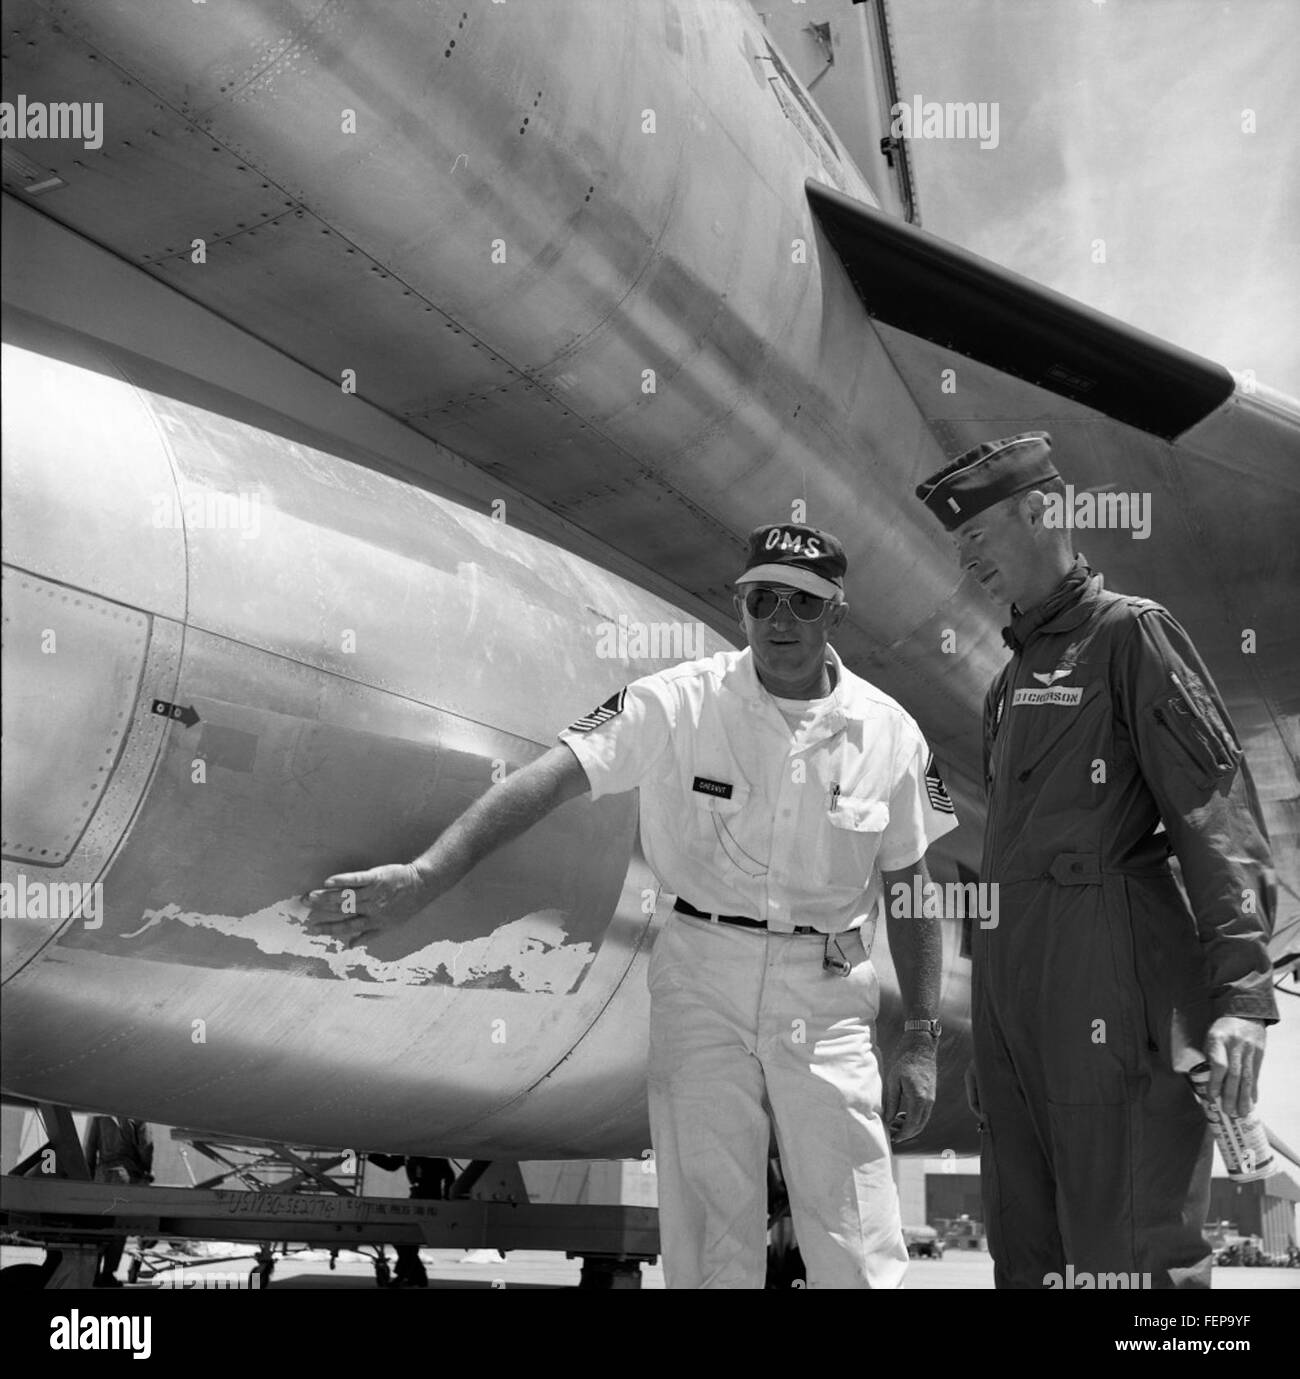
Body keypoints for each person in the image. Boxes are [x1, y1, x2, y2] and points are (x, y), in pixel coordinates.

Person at [306, 523, 958, 1288]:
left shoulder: (889, 734)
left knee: (856, 1227)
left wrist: (919, 1037)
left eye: (804, 604)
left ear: (836, 615)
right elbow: (548, 779)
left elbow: (912, 887)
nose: (781, 620)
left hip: (827, 989)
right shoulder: (678, 701)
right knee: (710, 1230)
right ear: (740, 604)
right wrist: (426, 875)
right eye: (764, 599)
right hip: (700, 977)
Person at [915, 431, 1277, 1289]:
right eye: (958, 548)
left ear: (1043, 511)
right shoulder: (1011, 681)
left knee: (1135, 1256)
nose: (970, 564)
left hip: (1111, 994)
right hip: (1017, 1011)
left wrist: (1241, 995)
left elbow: (1215, 818)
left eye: (979, 538)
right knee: (1025, 1256)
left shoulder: (1133, 637)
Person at [84, 1116, 153, 1286]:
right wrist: (146, 1171)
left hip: (102, 1176)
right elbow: (146, 1146)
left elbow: (90, 1147)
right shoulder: (137, 1114)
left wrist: (89, 1176)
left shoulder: (98, 1114)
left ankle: (93, 1273)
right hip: (125, 1176)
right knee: (118, 1229)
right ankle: (108, 1274)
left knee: (98, 1226)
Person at [368, 1154, 455, 1287]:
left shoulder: (434, 1155)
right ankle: (416, 1276)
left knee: (406, 1239)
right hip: (417, 1196)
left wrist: (445, 1199)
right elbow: (391, 1164)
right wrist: (371, 1155)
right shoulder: (410, 1154)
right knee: (405, 1240)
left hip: (429, 1198)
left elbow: (449, 1176)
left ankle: (407, 1275)